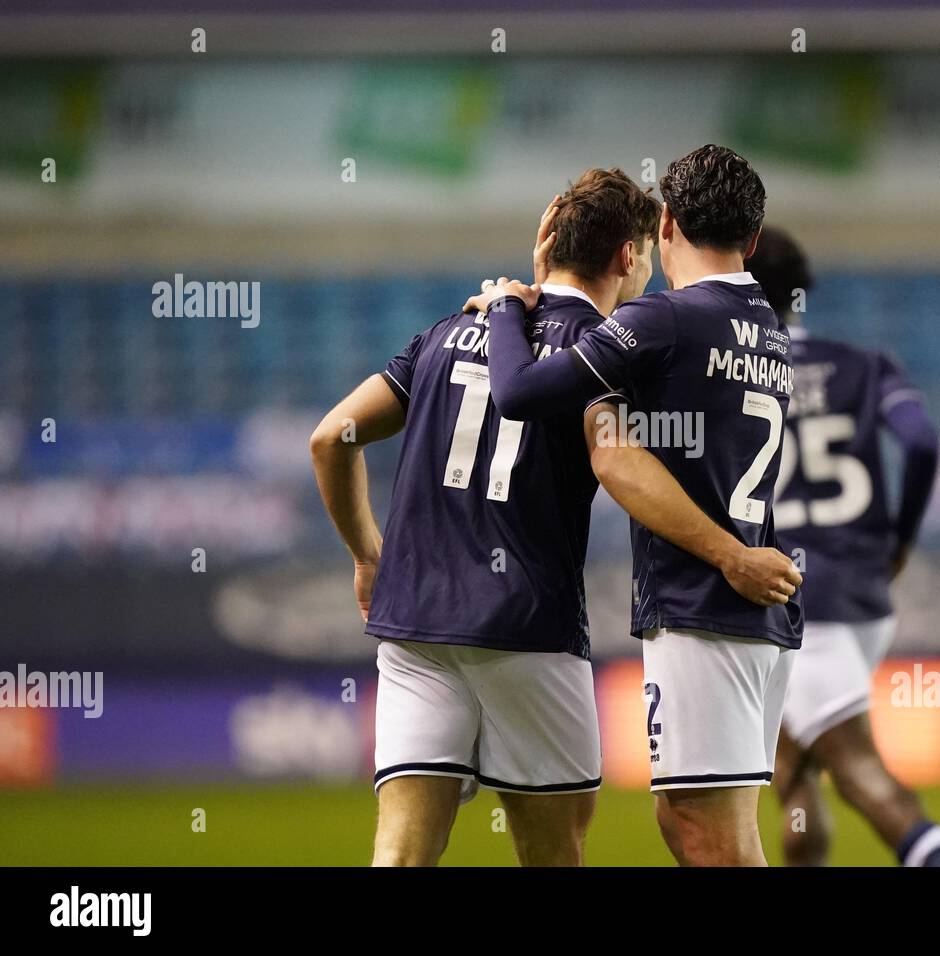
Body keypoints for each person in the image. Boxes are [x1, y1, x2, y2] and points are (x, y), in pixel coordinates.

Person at [310, 167, 795, 866]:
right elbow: (612, 452)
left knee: (403, 852)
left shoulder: (449, 331)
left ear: (551, 242)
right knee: (553, 849)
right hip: (527, 624)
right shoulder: (607, 355)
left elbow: (331, 439)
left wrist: (367, 555)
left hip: (413, 622)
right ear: (630, 255)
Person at [465, 144, 803, 866]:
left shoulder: (665, 321)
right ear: (751, 240)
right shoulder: (768, 327)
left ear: (669, 222)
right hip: (752, 619)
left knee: (708, 837)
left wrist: (505, 307)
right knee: (694, 822)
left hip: (707, 602)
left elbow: (520, 394)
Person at [745, 226, 940, 867]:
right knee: (797, 780)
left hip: (790, 601)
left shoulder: (732, 373)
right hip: (862, 594)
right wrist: (901, 538)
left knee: (862, 777)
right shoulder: (864, 365)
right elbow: (921, 441)